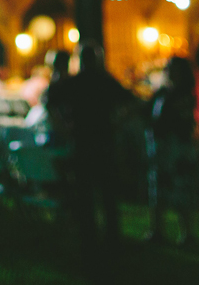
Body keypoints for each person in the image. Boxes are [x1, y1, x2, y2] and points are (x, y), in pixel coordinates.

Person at [54, 42, 133, 249]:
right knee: (108, 192)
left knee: (85, 192)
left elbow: (52, 102)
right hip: (104, 140)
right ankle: (112, 237)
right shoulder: (105, 81)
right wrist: (118, 122)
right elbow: (129, 100)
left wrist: (64, 127)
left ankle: (88, 237)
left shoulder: (75, 83)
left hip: (82, 141)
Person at [145, 56, 198, 246]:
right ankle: (157, 230)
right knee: (159, 188)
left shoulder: (183, 95)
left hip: (177, 148)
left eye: (173, 69)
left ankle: (186, 233)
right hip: (161, 147)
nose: (169, 72)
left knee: (180, 189)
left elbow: (180, 121)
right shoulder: (163, 92)